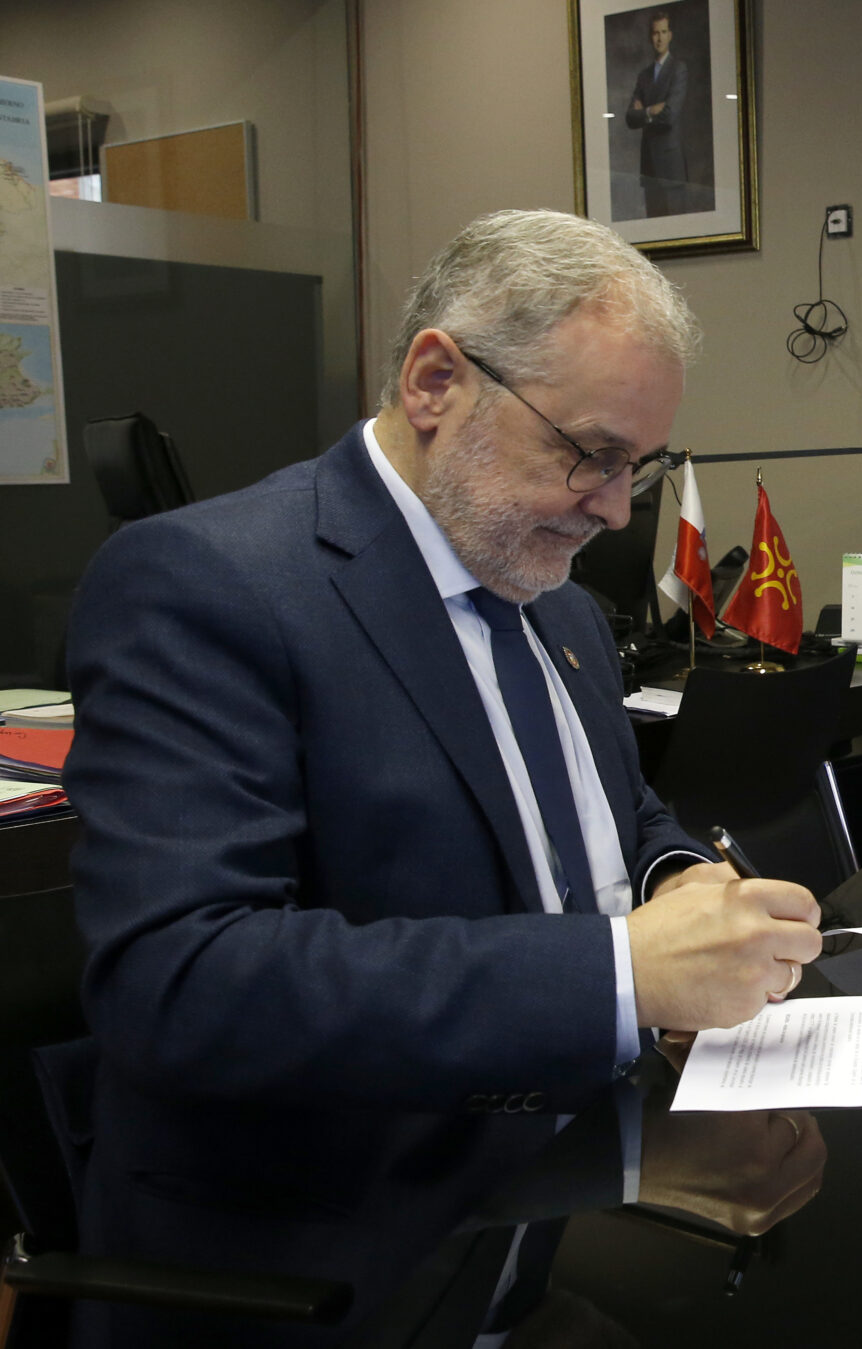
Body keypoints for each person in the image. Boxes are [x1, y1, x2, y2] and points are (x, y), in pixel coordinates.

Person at [61, 208, 821, 1343]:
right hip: (331, 1264)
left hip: (552, 1215)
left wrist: (677, 883)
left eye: (638, 466)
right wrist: (622, 972)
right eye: (590, 452)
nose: (616, 507)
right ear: (435, 382)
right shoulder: (206, 584)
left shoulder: (558, 603)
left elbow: (622, 812)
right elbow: (181, 977)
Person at [625, 9, 690, 218]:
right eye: (655, 33)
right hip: (649, 167)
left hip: (671, 168)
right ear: (650, 37)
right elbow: (630, 118)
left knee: (677, 227)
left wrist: (643, 113)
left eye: (663, 32)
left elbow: (669, 116)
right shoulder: (643, 76)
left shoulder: (678, 69)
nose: (659, 38)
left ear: (670, 35)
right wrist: (651, 110)